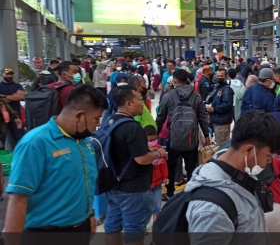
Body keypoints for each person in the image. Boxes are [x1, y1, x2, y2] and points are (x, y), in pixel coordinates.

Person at [3, 85, 107, 244]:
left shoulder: (83, 142)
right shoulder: (36, 143)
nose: (96, 126)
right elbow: (19, 199)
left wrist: (90, 215)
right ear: (79, 116)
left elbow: (85, 183)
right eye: (96, 119)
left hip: (80, 229)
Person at [185, 112, 280, 245]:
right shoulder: (213, 211)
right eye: (268, 155)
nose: (269, 161)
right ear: (249, 151)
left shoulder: (237, 170)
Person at [104, 86, 168, 245]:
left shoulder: (110, 121)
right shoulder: (132, 127)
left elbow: (125, 150)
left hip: (113, 185)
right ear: (128, 104)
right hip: (133, 189)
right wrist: (160, 153)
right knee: (134, 231)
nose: (143, 103)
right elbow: (142, 159)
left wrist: (147, 149)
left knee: (112, 225)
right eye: (139, 100)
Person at [156, 70, 210, 199]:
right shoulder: (196, 97)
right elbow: (203, 117)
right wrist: (207, 134)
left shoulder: (168, 96)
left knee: (171, 167)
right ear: (187, 80)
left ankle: (169, 193)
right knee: (191, 167)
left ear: (174, 81)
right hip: (191, 139)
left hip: (173, 140)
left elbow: (160, 117)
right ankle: (191, 194)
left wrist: (156, 134)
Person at [146, 125, 168, 222]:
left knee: (157, 204)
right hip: (146, 184)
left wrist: (165, 176)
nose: (153, 142)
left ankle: (157, 222)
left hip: (158, 182)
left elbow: (163, 164)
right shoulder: (142, 152)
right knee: (145, 206)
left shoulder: (159, 149)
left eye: (155, 139)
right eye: (150, 140)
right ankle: (143, 225)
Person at [207, 68, 235, 145]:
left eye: (221, 76)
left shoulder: (226, 90)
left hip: (222, 121)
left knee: (222, 144)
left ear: (226, 76)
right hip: (216, 119)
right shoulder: (217, 87)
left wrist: (214, 109)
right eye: (217, 76)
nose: (219, 77)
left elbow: (227, 105)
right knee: (218, 141)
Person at [0, 68, 25, 148]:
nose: (9, 76)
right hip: (2, 117)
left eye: (11, 74)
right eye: (7, 74)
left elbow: (21, 96)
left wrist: (4, 96)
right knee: (1, 139)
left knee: (19, 137)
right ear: (1, 75)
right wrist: (14, 96)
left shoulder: (18, 86)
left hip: (16, 115)